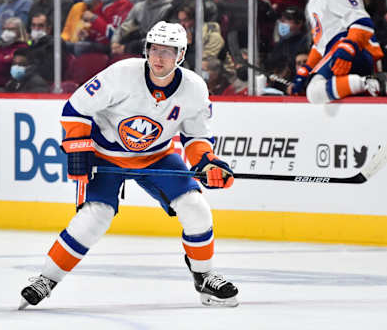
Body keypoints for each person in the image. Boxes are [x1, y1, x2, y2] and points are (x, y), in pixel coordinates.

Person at [19, 21, 239, 309]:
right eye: (155, 49)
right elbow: (76, 109)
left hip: (156, 156)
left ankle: (204, 276)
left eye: (168, 52)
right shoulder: (121, 75)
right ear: (146, 50)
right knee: (94, 217)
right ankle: (46, 279)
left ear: (181, 55)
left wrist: (207, 162)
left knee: (196, 207)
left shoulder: (194, 88)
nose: (159, 58)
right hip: (105, 155)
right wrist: (78, 146)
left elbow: (195, 135)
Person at [291, 0, 387, 102]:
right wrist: (307, 69)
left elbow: (363, 23)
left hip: (356, 50)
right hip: (335, 50)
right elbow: (320, 44)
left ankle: (377, 82)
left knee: (314, 91)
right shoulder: (313, 1)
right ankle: (369, 84)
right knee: (320, 91)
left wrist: (348, 48)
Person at [0, 16, 29, 89]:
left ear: (19, 31)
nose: (6, 32)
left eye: (11, 29)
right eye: (4, 29)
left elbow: (4, 64)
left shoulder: (23, 47)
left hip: (9, 87)